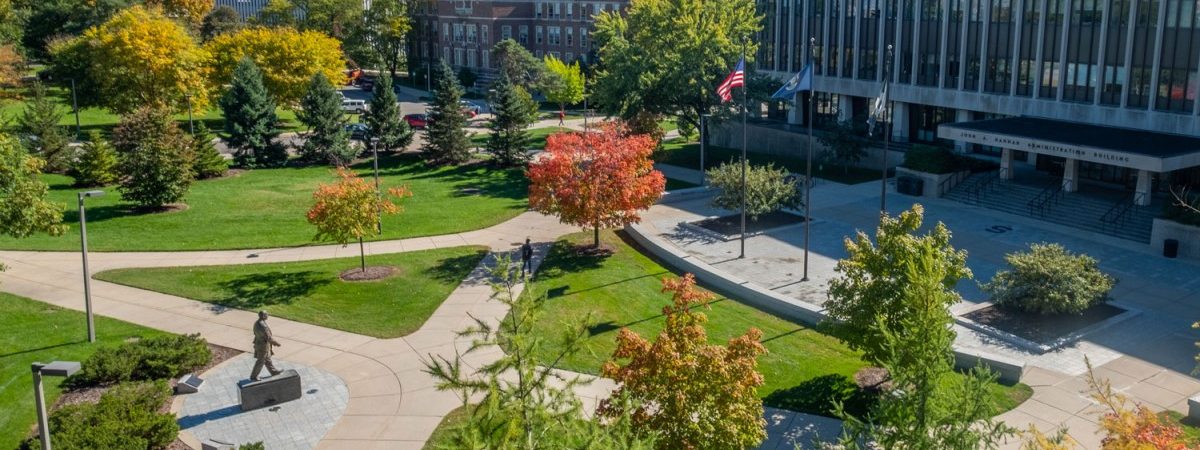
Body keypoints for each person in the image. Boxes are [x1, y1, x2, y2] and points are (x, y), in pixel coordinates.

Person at [250, 310, 283, 381]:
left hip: (259, 343)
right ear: (263, 316)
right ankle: (254, 376)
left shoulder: (257, 323)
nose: (268, 315)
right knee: (261, 361)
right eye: (266, 314)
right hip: (263, 346)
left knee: (267, 359)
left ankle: (273, 371)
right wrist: (276, 343)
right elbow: (269, 338)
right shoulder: (263, 326)